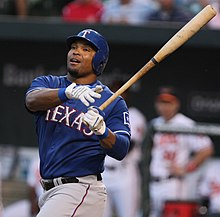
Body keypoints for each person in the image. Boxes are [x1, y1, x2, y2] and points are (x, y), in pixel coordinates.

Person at [25, 29, 131, 217]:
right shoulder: (49, 83)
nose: (76, 52)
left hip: (80, 189)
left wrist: (102, 131)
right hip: (49, 191)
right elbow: (31, 101)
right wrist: (66, 93)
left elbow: (121, 149)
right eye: (73, 47)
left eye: (85, 49)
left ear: (99, 59)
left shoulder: (112, 101)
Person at [144, 86, 214, 217]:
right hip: (153, 184)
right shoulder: (154, 123)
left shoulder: (186, 124)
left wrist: (187, 168)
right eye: (162, 102)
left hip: (173, 184)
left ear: (176, 104)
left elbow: (207, 149)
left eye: (168, 103)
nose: (164, 107)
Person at [102, 81, 147, 217]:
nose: (117, 95)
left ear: (127, 95)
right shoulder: (103, 112)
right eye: (114, 91)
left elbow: (128, 146)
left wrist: (104, 140)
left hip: (124, 172)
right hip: (103, 173)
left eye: (121, 92)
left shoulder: (134, 115)